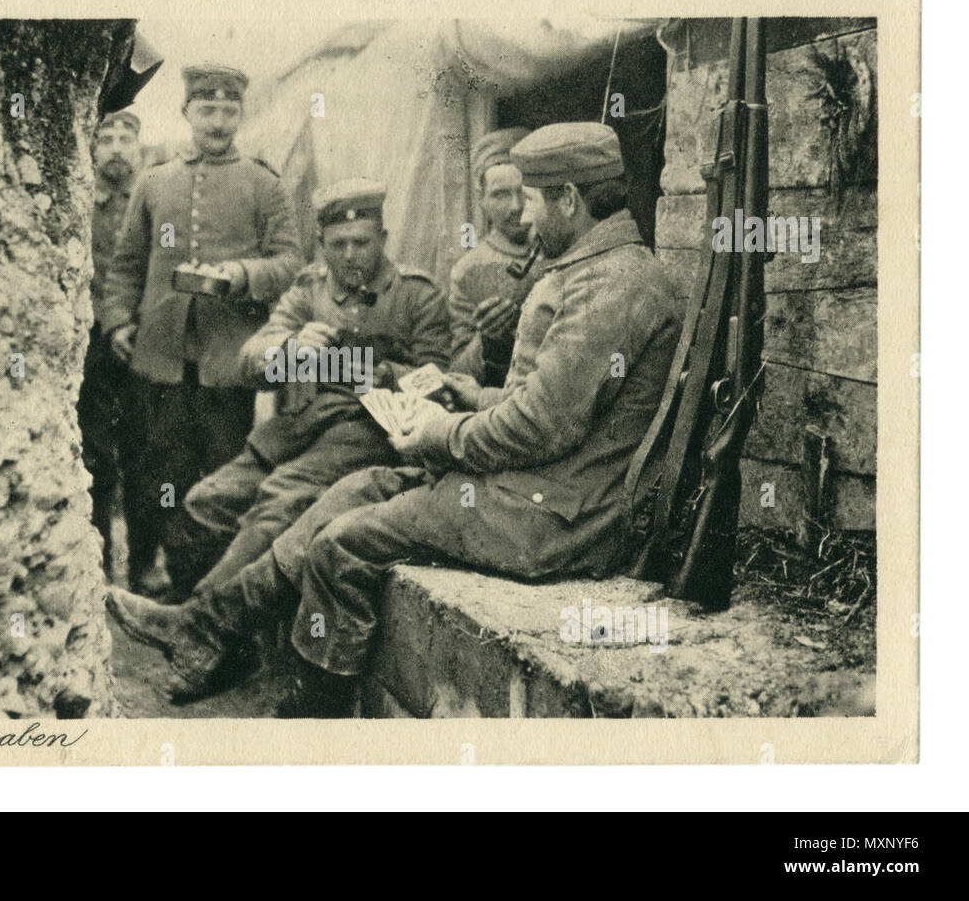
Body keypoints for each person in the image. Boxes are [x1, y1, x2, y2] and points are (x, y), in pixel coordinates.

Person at [106, 121, 684, 717]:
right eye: (338, 244)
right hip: (536, 488)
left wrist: (438, 430)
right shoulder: (597, 271)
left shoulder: (608, 283)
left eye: (532, 200)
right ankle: (204, 627)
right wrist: (474, 396)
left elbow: (538, 427)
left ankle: (313, 716)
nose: (524, 219)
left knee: (341, 544)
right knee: (354, 490)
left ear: (569, 198)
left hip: (556, 517)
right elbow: (545, 410)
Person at [150, 179, 450, 696]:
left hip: (363, 432)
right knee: (205, 502)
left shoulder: (417, 295)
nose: (351, 254)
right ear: (321, 244)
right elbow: (251, 359)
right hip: (293, 426)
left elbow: (439, 384)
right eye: (338, 244)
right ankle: (233, 647)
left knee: (276, 502)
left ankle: (197, 628)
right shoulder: (309, 289)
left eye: (362, 241)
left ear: (383, 235)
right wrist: (291, 347)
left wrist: (378, 371)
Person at [99, 64, 303, 599]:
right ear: (187, 113)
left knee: (217, 474)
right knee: (155, 472)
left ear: (241, 114)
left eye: (228, 111)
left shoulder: (263, 184)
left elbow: (289, 263)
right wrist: (119, 320)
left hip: (227, 361)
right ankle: (146, 570)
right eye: (207, 110)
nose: (218, 121)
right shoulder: (155, 180)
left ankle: (204, 583)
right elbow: (125, 264)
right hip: (159, 356)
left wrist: (242, 275)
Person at [76, 110, 158, 587]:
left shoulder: (148, 203)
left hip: (137, 344)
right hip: (91, 352)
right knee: (95, 459)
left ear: (139, 146)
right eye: (104, 137)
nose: (115, 147)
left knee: (144, 458)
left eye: (125, 137)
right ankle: (98, 566)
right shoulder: (80, 203)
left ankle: (144, 566)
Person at [448, 126, 543, 387]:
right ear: (482, 199)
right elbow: (458, 373)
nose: (516, 207)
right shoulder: (468, 270)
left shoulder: (559, 250)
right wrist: (487, 339)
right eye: (500, 194)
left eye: (523, 192)